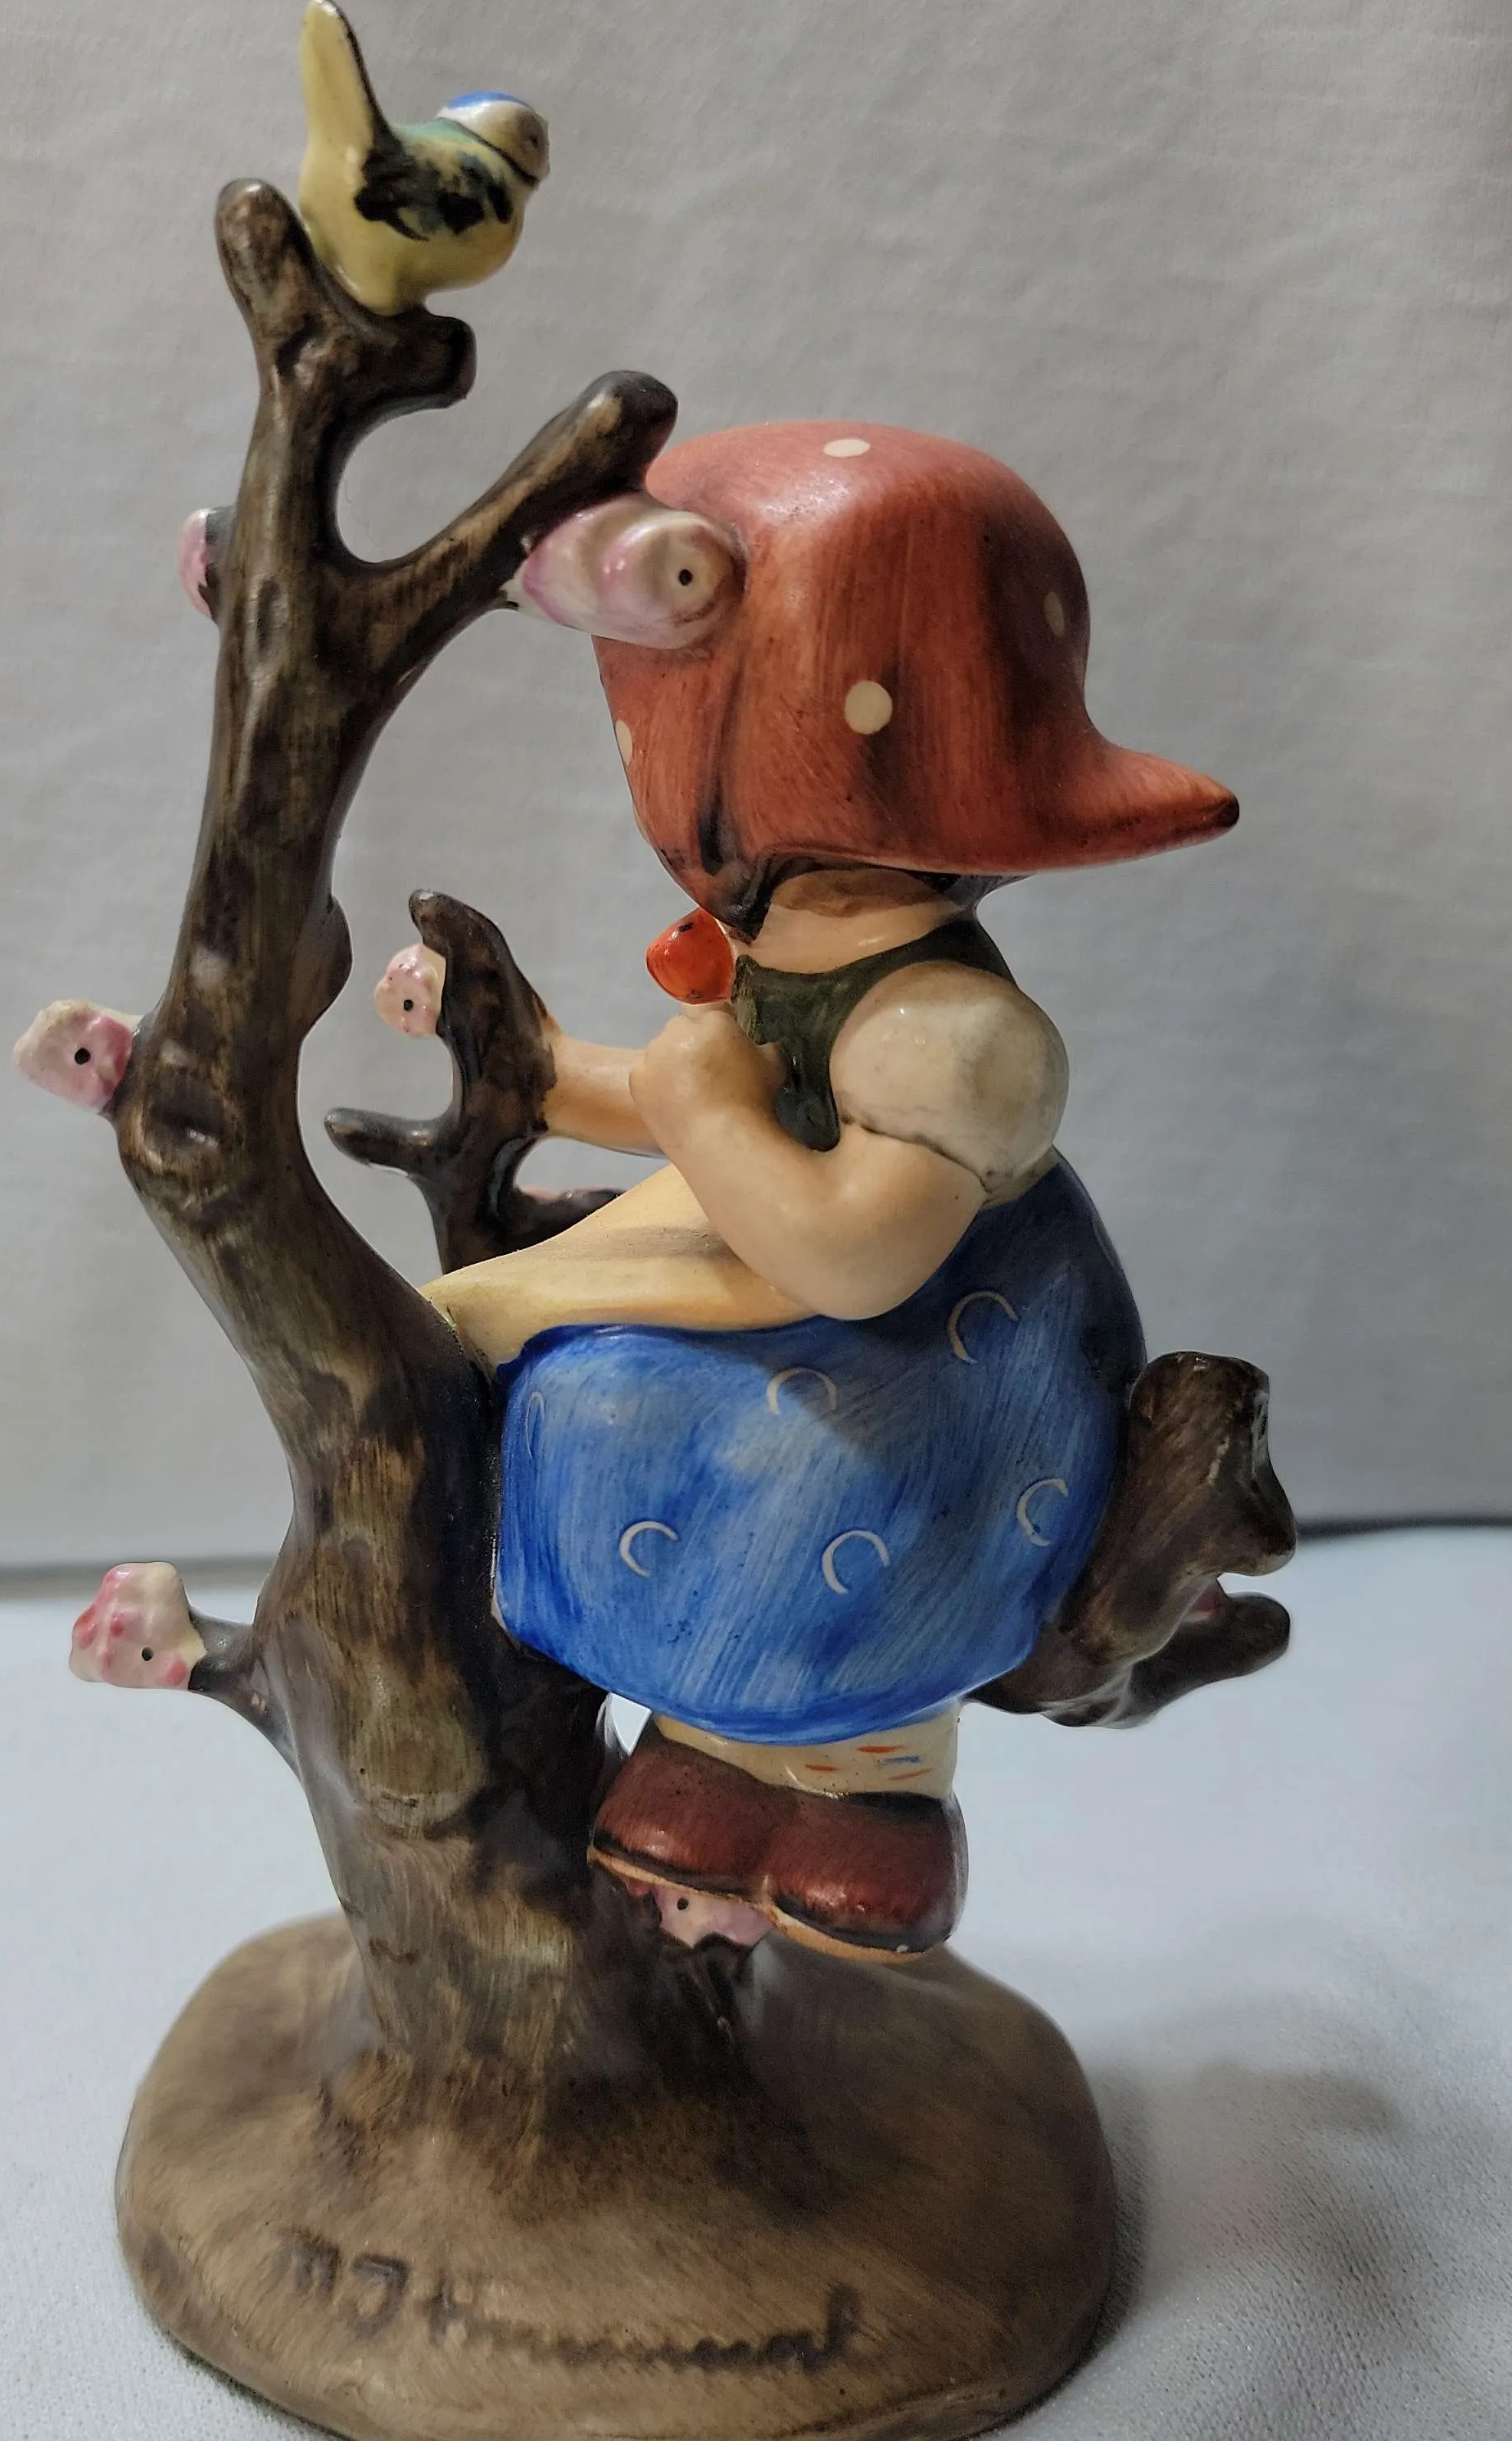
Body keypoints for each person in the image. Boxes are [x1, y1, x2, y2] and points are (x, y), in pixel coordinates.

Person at [390, 421, 1238, 1963]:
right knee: (614, 1422)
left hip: (928, 1375)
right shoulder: (781, 955)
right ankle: (707, 1748)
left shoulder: (957, 1038)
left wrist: (701, 1112)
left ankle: (870, 1791)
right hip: (782, 1320)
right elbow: (699, 1086)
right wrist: (530, 1059)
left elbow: (849, 1255)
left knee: (821, 1511)